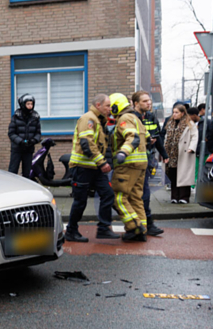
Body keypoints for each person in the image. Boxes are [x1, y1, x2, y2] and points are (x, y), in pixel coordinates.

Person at [64, 94, 118, 242]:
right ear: (98, 105)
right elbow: (86, 143)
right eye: (107, 105)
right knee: (80, 201)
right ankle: (71, 231)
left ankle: (103, 228)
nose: (110, 109)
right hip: (82, 168)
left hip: (94, 167)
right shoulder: (88, 119)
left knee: (108, 194)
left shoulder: (99, 121)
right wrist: (102, 162)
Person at [110, 93, 149, 242]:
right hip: (140, 164)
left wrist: (123, 152)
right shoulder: (136, 119)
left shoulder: (124, 119)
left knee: (118, 198)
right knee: (135, 198)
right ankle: (142, 230)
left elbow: (132, 137)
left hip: (127, 165)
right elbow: (146, 138)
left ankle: (134, 227)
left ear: (115, 107)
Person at [132, 91, 166, 237]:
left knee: (144, 194)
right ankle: (139, 226)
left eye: (149, 100)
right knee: (140, 195)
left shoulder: (151, 117)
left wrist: (164, 154)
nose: (149, 103)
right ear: (136, 103)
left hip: (146, 160)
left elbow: (157, 137)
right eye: (145, 101)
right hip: (133, 162)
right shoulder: (132, 118)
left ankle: (144, 225)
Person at [164, 104, 197, 203]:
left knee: (184, 175)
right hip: (172, 153)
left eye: (176, 112)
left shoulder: (189, 124)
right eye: (173, 112)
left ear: (182, 113)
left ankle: (184, 197)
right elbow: (166, 137)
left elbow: (195, 136)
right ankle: (174, 197)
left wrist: (191, 148)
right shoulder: (170, 123)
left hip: (184, 153)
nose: (174, 114)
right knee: (173, 174)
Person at [8, 94, 41, 178]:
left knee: (27, 173)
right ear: (23, 105)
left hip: (29, 149)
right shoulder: (16, 117)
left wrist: (33, 140)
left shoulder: (35, 117)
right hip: (17, 149)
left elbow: (38, 133)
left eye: (31, 104)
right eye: (28, 104)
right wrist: (20, 141)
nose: (30, 106)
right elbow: (11, 133)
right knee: (12, 171)